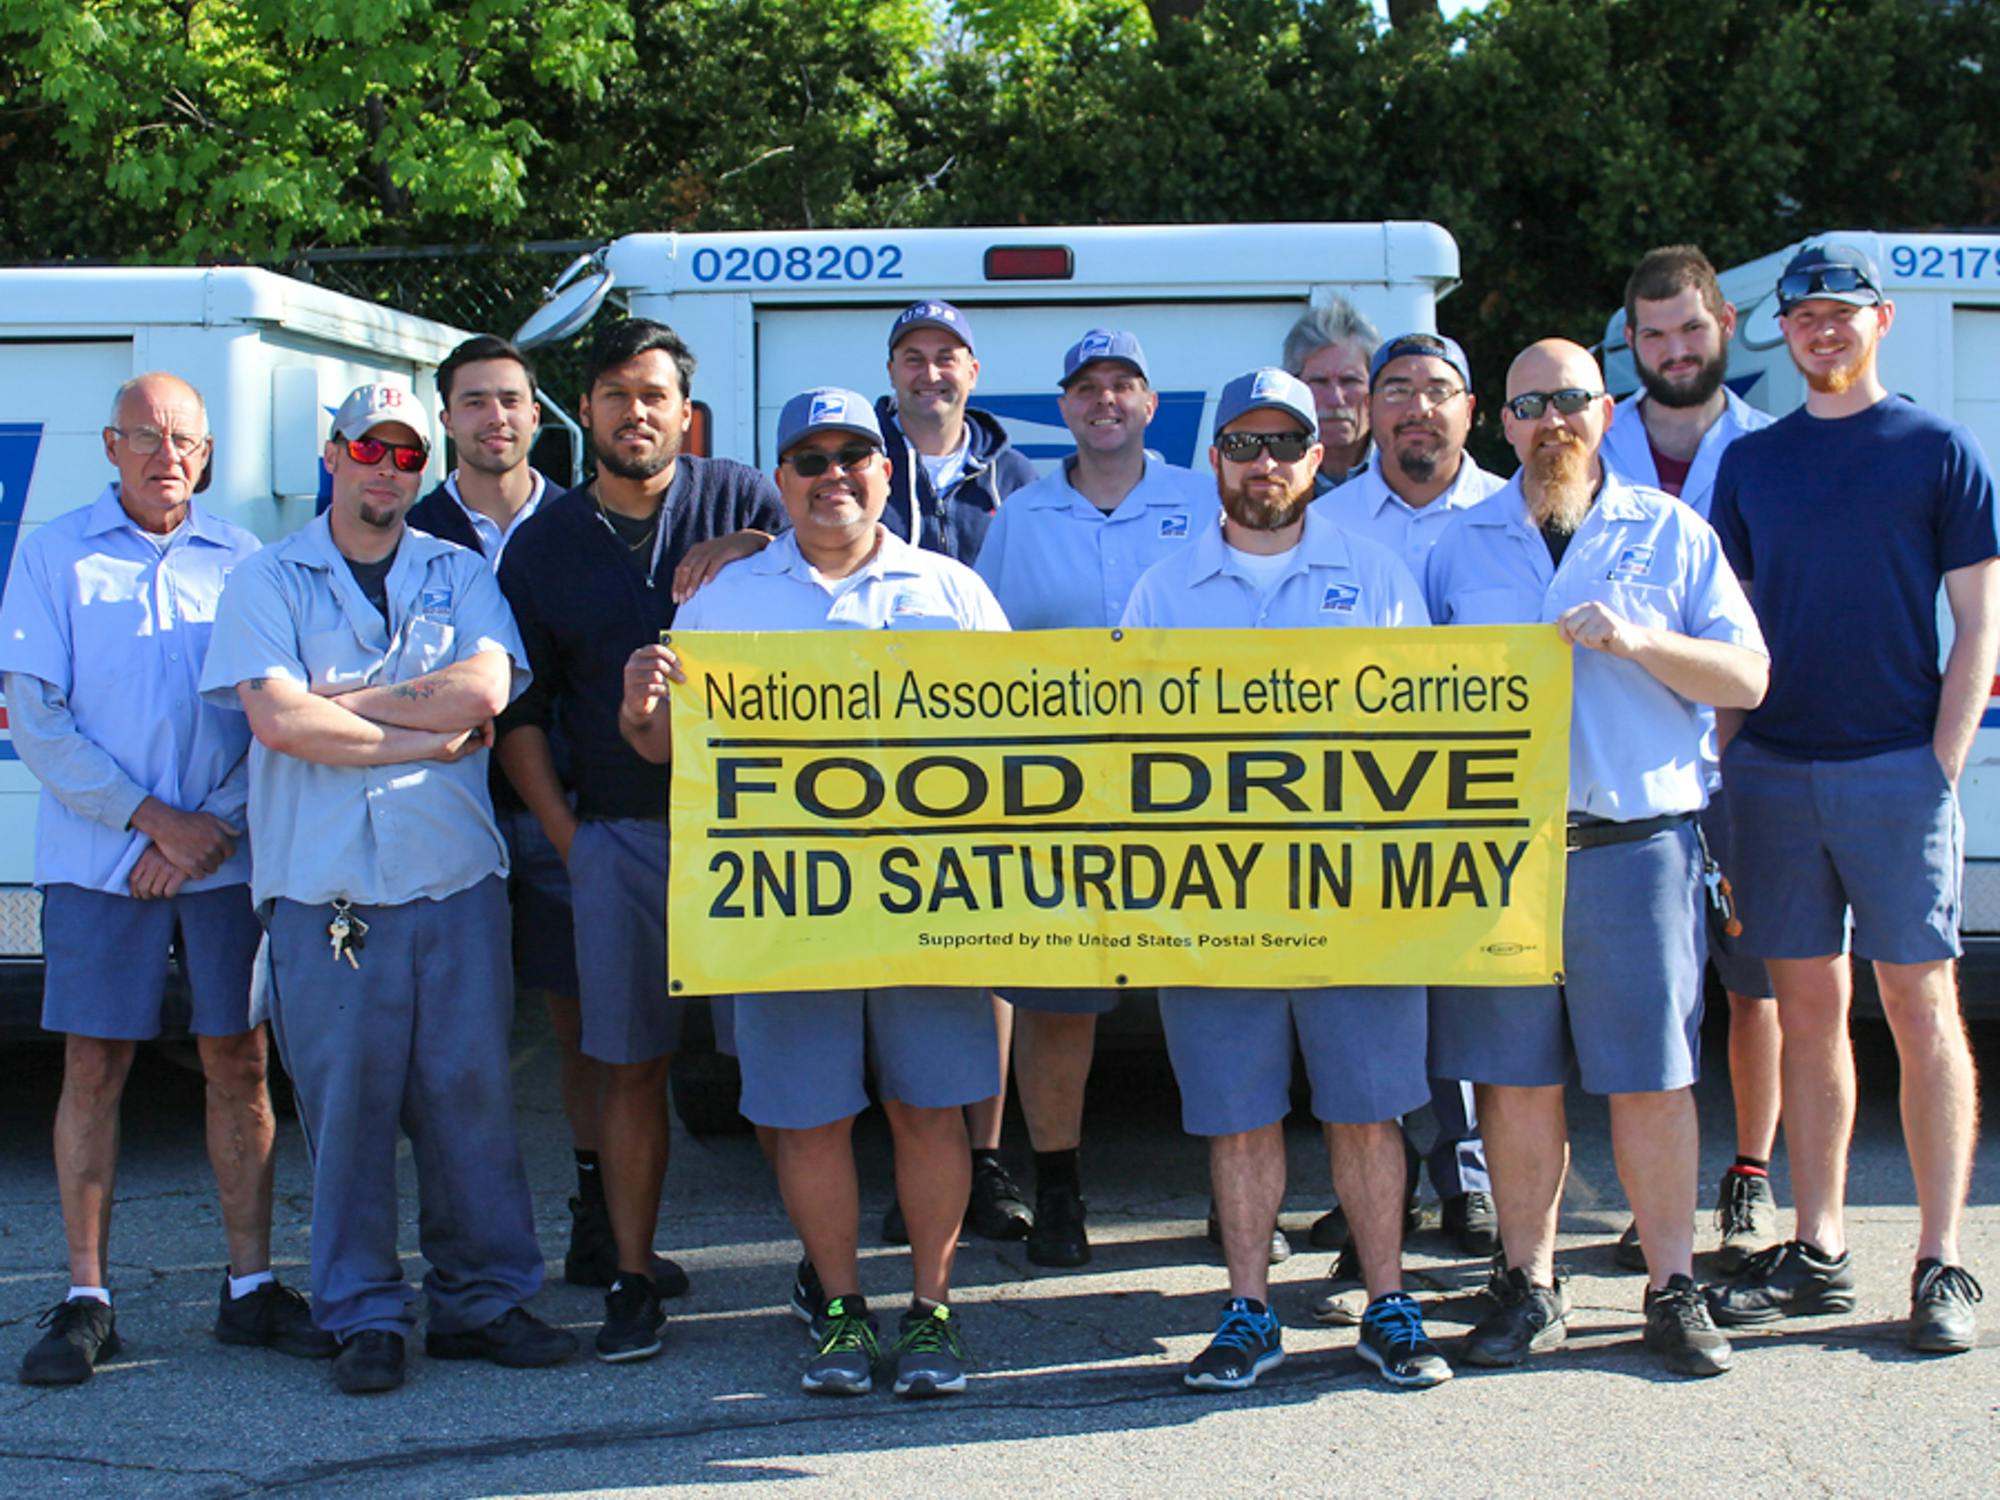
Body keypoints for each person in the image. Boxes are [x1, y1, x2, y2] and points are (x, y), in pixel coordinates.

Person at [619, 386, 1007, 1398]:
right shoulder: (724, 600)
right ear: (778, 481)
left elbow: (1017, 746)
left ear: (887, 472)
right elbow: (672, 756)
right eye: (809, 459)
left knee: (930, 1111)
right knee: (807, 1118)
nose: (833, 475)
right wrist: (640, 712)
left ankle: (930, 1312)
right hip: (786, 907)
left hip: (929, 902)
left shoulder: (951, 592)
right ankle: (838, 1310)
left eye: (853, 456)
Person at [200, 383, 574, 1394]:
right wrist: (415, 734)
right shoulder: (266, 579)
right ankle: (362, 1313)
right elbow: (276, 726)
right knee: (348, 1111)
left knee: (472, 1102)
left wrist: (334, 705)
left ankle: (481, 1300)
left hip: (452, 881)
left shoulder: (457, 572)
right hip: (329, 898)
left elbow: (486, 691)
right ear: (332, 454)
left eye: (407, 455)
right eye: (369, 449)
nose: (387, 469)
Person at [1425, 339, 1768, 1380]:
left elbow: (1746, 677)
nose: (1550, 421)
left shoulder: (1667, 533)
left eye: (1569, 399)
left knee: (1650, 1080)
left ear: (1604, 412)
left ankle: (1671, 1289)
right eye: (1528, 405)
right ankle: (1528, 1285)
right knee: (1513, 1081)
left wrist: (1637, 643)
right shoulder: (1459, 545)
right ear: (1504, 425)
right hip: (1502, 862)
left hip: (1634, 845)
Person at [1121, 368, 1451, 1392]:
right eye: (1242, 445)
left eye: (1283, 445)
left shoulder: (1378, 574)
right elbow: (1125, 747)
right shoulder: (1160, 589)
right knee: (1237, 1112)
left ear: (1319, 457)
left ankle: (1387, 1302)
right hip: (1211, 897)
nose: (1262, 464)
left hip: (1349, 893)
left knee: (1367, 1106)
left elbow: (1426, 731)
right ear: (1212, 459)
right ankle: (1247, 1308)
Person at [3, 373, 330, 1386]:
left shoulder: (243, 563)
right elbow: (38, 720)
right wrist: (153, 824)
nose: (164, 457)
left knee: (238, 1060)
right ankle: (88, 1297)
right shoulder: (54, 554)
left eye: (183, 440)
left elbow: (271, 720)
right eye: (143, 438)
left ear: (206, 452)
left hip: (223, 863)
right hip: (101, 865)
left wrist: (204, 833)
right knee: (93, 1069)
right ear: (110, 446)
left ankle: (248, 1288)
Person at [1708, 243, 1997, 1354]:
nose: (1819, 330)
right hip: (1772, 773)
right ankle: (1821, 1247)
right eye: (1800, 315)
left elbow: (1978, 624)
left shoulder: (1935, 450)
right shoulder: (1753, 464)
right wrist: (1723, 766)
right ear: (1780, 333)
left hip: (1894, 769)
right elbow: (1729, 632)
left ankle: (1940, 1261)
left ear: (1879, 320)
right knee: (1806, 1011)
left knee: (1923, 1012)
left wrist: (1937, 762)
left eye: (1838, 311)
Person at [495, 319, 787, 1364]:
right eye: (615, 394)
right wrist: (571, 839)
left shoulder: (748, 497)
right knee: (628, 1067)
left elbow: (838, 551)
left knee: (788, 1064)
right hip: (620, 836)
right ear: (588, 410)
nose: (635, 412)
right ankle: (629, 1275)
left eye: (653, 394)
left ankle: (817, 1269)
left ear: (684, 408)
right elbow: (518, 712)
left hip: (765, 835)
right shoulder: (546, 543)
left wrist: (757, 544)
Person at [971, 328, 1217, 1268]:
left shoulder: (1202, 500)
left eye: (1124, 385)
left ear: (1152, 404)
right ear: (1064, 406)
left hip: (1194, 794)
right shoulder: (1021, 518)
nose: (1105, 400)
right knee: (1058, 1002)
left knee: (1214, 990)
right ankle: (1060, 1189)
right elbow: (984, 665)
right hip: (1061, 801)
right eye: (1086, 387)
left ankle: (1232, 1188)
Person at [1304, 332, 1505, 1321]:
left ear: (1470, 409)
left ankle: (1466, 1180)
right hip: (1349, 821)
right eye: (1396, 392)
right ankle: (1368, 1202)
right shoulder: (1324, 523)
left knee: (1470, 1004)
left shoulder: (1514, 518)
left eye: (1437, 391)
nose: (1415, 408)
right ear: (1367, 413)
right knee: (1366, 1019)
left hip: (1470, 816)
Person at [405, 335, 611, 1286]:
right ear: (446, 418)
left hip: (556, 806)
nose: (495, 418)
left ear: (539, 417)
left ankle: (595, 1204)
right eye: (475, 401)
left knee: (580, 1025)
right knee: (463, 1044)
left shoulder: (583, 522)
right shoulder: (401, 525)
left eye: (512, 401)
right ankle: (469, 1244)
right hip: (432, 814)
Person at [1600, 245, 1782, 1276]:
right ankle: (1650, 1200)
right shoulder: (1590, 441)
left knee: (1747, 981)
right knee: (1654, 1000)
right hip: (1629, 767)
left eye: (1689, 329)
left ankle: (1747, 1178)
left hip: (1748, 754)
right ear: (1630, 342)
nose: (1672, 350)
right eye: (1652, 333)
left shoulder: (1769, 448)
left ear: (1721, 328)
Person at [874, 299, 1038, 1244]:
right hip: (873, 772)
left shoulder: (1025, 481)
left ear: (974, 372)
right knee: (895, 957)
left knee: (991, 964)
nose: (929, 372)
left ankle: (984, 1158)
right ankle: (918, 1157)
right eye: (911, 356)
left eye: (947, 356)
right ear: (891, 372)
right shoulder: (850, 463)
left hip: (987, 767)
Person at [1281, 300, 1379, 492]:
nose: (1336, 399)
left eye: (1350, 380)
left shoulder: (1402, 472)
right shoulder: (1274, 475)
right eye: (1319, 381)